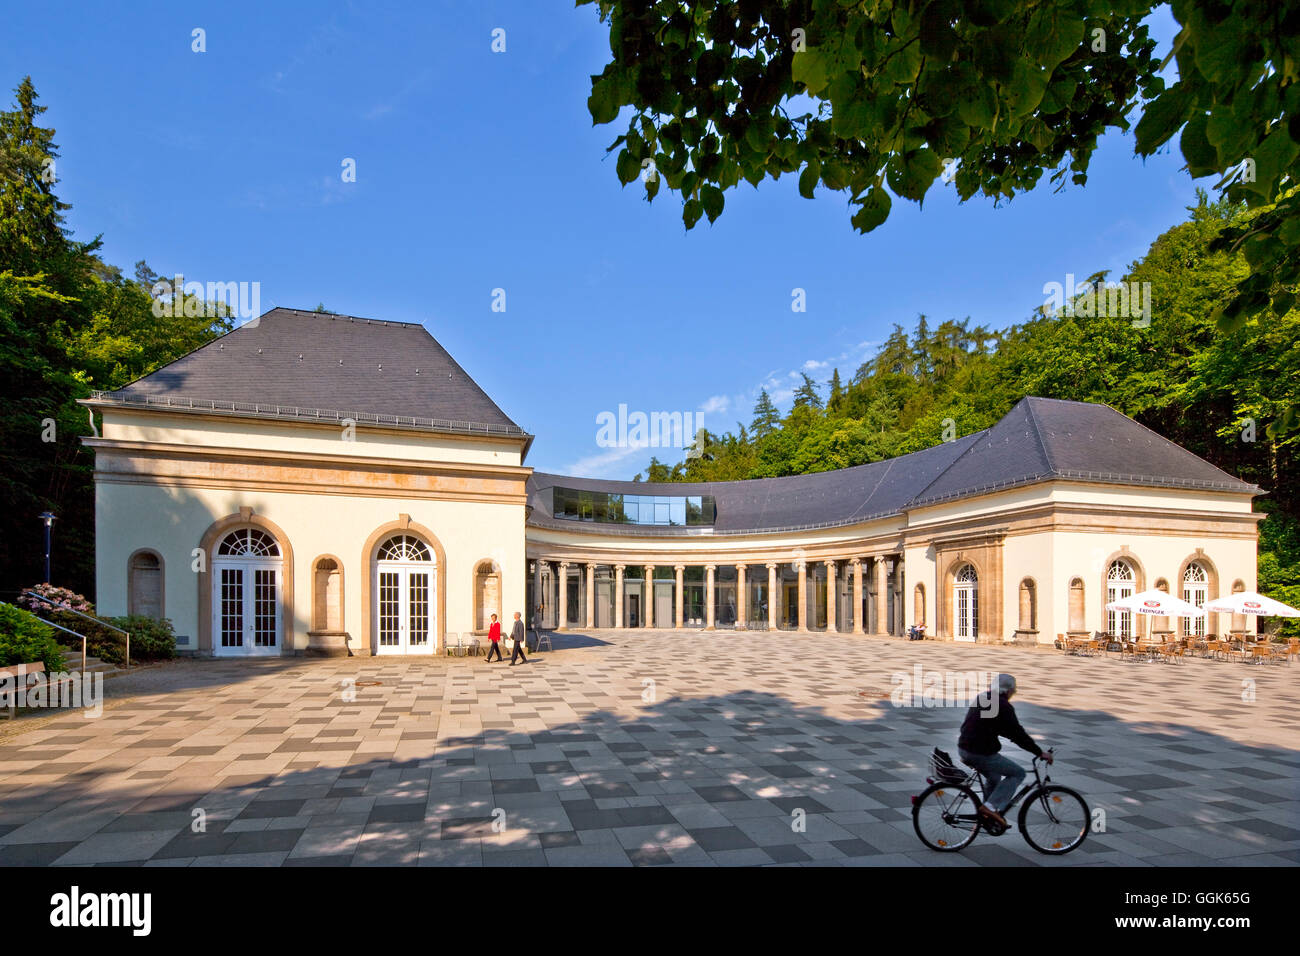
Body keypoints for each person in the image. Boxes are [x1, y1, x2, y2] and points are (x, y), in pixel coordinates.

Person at [957, 673, 1051, 829]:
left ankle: (986, 817)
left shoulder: (983, 698)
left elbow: (998, 727)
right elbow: (1017, 734)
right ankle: (990, 808)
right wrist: (1039, 752)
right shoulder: (1003, 706)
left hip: (965, 748)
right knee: (1018, 773)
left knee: (994, 777)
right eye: (1013, 692)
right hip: (979, 753)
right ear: (1008, 691)